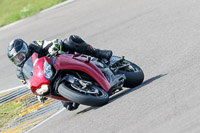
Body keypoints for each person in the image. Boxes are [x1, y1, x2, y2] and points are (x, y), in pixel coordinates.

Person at [7, 35, 112, 111]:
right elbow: (29, 85)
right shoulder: (20, 73)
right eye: (15, 58)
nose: (19, 59)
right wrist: (38, 94)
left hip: (58, 61)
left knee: (71, 40)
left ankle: (99, 53)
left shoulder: (34, 45)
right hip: (49, 79)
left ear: (25, 49)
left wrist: (53, 47)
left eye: (20, 55)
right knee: (69, 105)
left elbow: (52, 42)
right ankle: (86, 89)